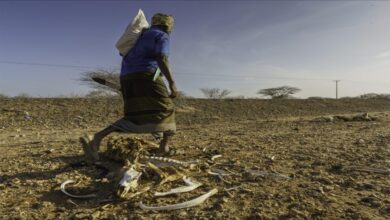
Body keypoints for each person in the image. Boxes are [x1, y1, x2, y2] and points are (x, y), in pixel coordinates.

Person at [80, 13, 178, 162]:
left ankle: (96, 137)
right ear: (167, 25)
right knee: (167, 108)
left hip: (127, 77)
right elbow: (162, 58)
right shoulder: (161, 35)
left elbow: (124, 54)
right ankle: (163, 148)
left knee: (133, 115)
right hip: (146, 75)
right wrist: (172, 82)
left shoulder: (140, 37)